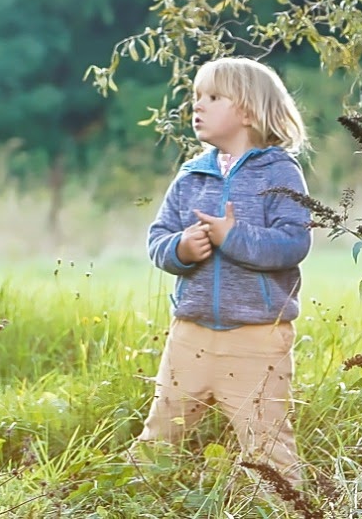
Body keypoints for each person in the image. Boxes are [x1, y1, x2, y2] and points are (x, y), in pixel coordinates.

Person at [135, 56, 312, 486]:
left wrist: (232, 237)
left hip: (255, 338)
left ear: (248, 111)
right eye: (197, 96)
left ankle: (288, 511)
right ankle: (126, 501)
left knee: (268, 444)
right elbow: (158, 236)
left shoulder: (281, 174)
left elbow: (294, 243)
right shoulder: (192, 175)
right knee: (160, 435)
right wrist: (180, 248)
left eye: (213, 97)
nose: (198, 105)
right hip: (190, 333)